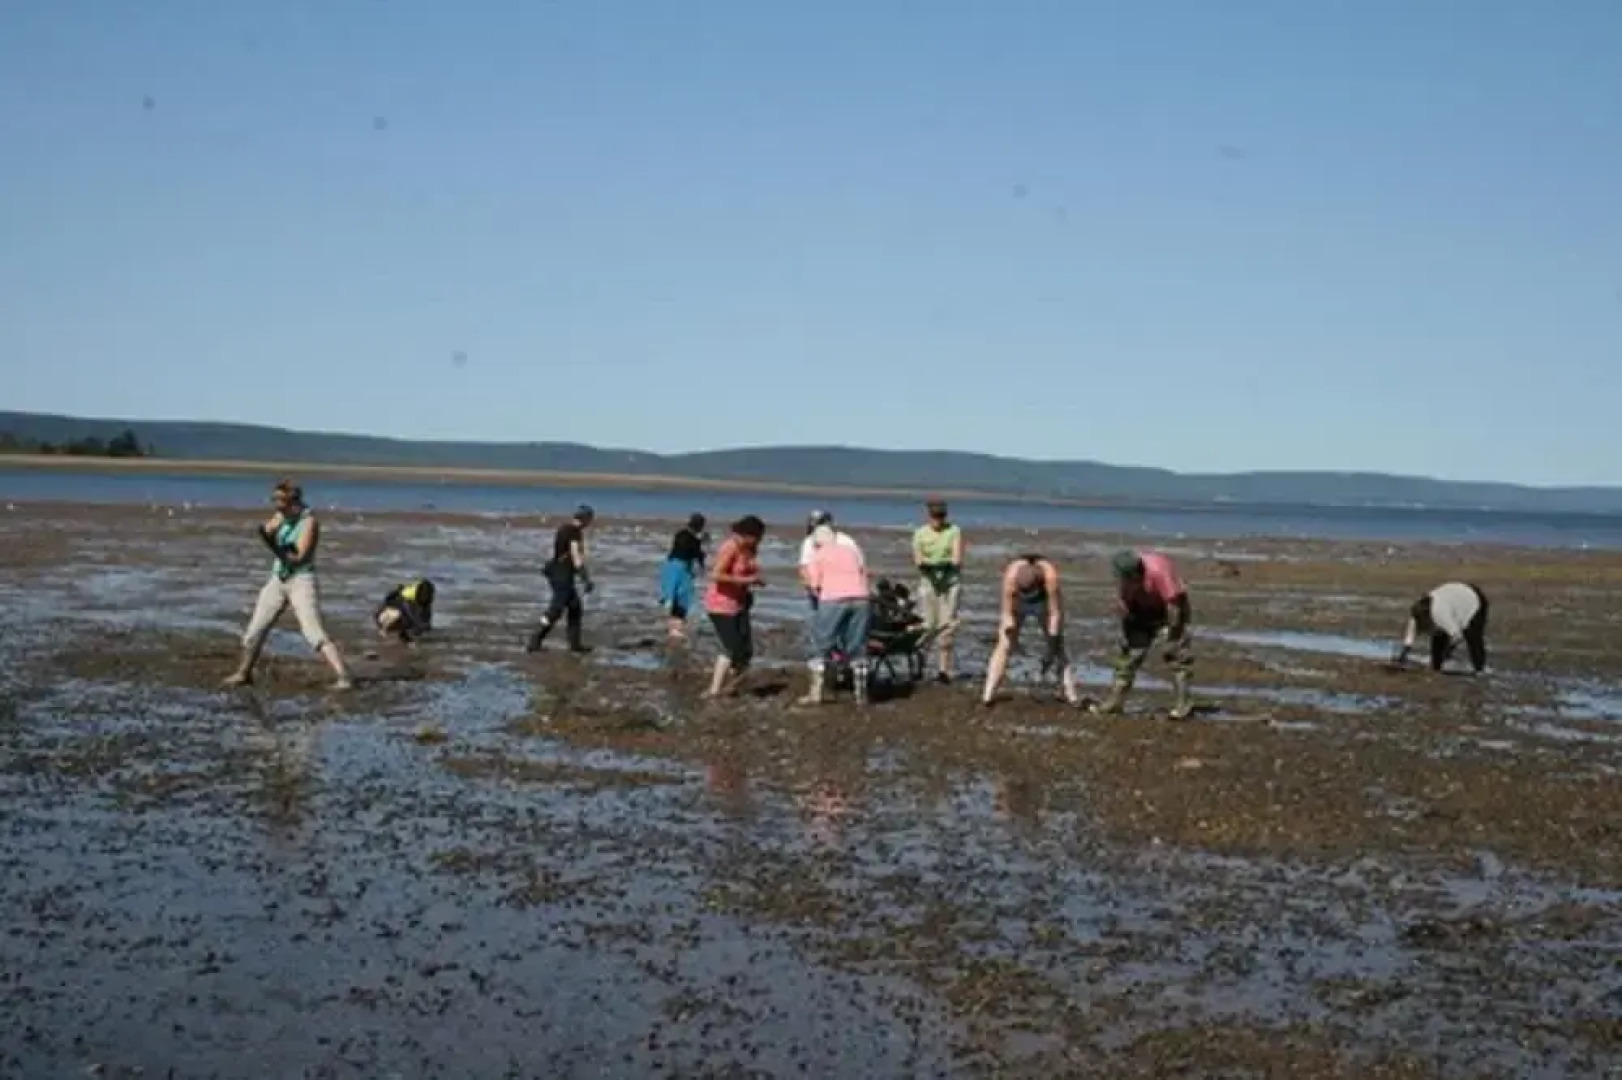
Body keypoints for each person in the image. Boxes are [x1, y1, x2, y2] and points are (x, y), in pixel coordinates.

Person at [223, 479, 353, 690]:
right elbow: (268, 530)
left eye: (280, 501)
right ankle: (243, 673)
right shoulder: (280, 517)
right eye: (274, 500)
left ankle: (344, 676)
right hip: (278, 578)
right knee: (256, 629)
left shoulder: (309, 523)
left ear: (293, 501)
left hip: (301, 580)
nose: (276, 506)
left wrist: (272, 545)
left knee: (313, 632)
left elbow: (298, 557)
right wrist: (269, 532)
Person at [1094, 549, 1193, 720]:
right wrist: (1128, 628)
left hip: (1168, 608)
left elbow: (1174, 605)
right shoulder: (1125, 578)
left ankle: (1183, 705)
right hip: (1140, 609)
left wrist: (1173, 634)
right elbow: (1124, 603)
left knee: (1176, 657)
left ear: (1135, 576)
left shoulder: (1159, 570)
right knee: (1128, 657)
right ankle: (1115, 702)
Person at [981, 554, 1080, 707]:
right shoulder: (1011, 576)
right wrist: (1010, 631)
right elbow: (1006, 613)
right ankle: (988, 695)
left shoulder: (1050, 577)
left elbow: (1055, 614)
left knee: (1059, 649)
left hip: (1043, 602)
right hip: (1018, 602)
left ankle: (1072, 696)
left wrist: (1051, 647)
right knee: (1003, 646)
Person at [799, 523, 873, 706]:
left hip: (833, 598)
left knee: (821, 644)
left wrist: (819, 596)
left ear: (818, 543)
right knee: (858, 646)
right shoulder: (850, 551)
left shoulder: (819, 554)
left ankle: (816, 693)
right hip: (861, 598)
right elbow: (863, 574)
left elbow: (814, 585)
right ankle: (861, 695)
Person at [703, 515, 767, 699]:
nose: (759, 541)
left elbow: (749, 569)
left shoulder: (750, 549)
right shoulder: (730, 547)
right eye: (757, 537)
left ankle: (735, 686)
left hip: (740, 602)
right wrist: (746, 580)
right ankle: (715, 689)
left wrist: (754, 580)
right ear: (747, 535)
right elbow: (716, 575)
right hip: (720, 604)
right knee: (731, 647)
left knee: (745, 650)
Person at [525, 505, 595, 653]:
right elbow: (576, 555)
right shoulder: (574, 532)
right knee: (555, 610)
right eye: (590, 519)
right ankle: (535, 640)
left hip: (559, 572)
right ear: (586, 519)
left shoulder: (564, 529)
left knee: (575, 607)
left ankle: (575, 645)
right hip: (562, 575)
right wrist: (585, 579)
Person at [912, 498, 965, 683]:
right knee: (927, 625)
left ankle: (943, 670)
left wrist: (941, 569)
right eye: (935, 516)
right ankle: (919, 664)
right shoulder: (920, 534)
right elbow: (918, 560)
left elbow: (957, 559)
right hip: (929, 583)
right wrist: (933, 572)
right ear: (929, 516)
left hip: (949, 583)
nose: (938, 520)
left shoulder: (954, 531)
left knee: (947, 626)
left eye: (941, 516)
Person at [1393, 582, 1490, 674]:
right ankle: (1436, 667)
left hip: (1473, 601)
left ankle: (1479, 670)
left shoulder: (1440, 614)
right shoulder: (1416, 616)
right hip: (1452, 598)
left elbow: (1457, 636)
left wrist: (1447, 652)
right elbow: (1408, 640)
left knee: (1473, 638)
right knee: (1438, 636)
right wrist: (1402, 658)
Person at [659, 513, 707, 641]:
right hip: (683, 569)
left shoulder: (680, 534)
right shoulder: (693, 540)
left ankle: (672, 628)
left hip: (670, 566)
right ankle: (675, 629)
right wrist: (702, 565)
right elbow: (697, 554)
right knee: (682, 598)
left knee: (670, 596)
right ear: (701, 526)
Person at [375, 579, 436, 643]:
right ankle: (383, 631)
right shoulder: (407, 596)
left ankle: (405, 636)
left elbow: (427, 612)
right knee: (399, 615)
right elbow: (409, 612)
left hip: (402, 611)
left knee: (418, 620)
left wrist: (426, 624)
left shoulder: (426, 597)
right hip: (384, 613)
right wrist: (420, 624)